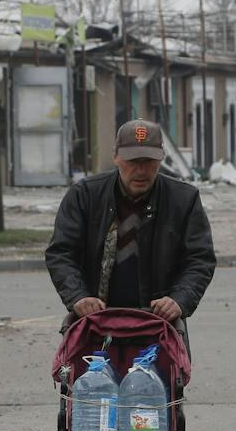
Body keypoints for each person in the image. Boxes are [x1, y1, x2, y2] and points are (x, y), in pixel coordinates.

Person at [45, 118, 216, 331]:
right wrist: (78, 297)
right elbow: (61, 252)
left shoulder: (184, 200)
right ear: (116, 157)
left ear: (161, 159)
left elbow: (199, 259)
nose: (141, 171)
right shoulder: (85, 195)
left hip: (160, 324)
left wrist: (178, 300)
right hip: (95, 322)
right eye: (133, 161)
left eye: (148, 161)